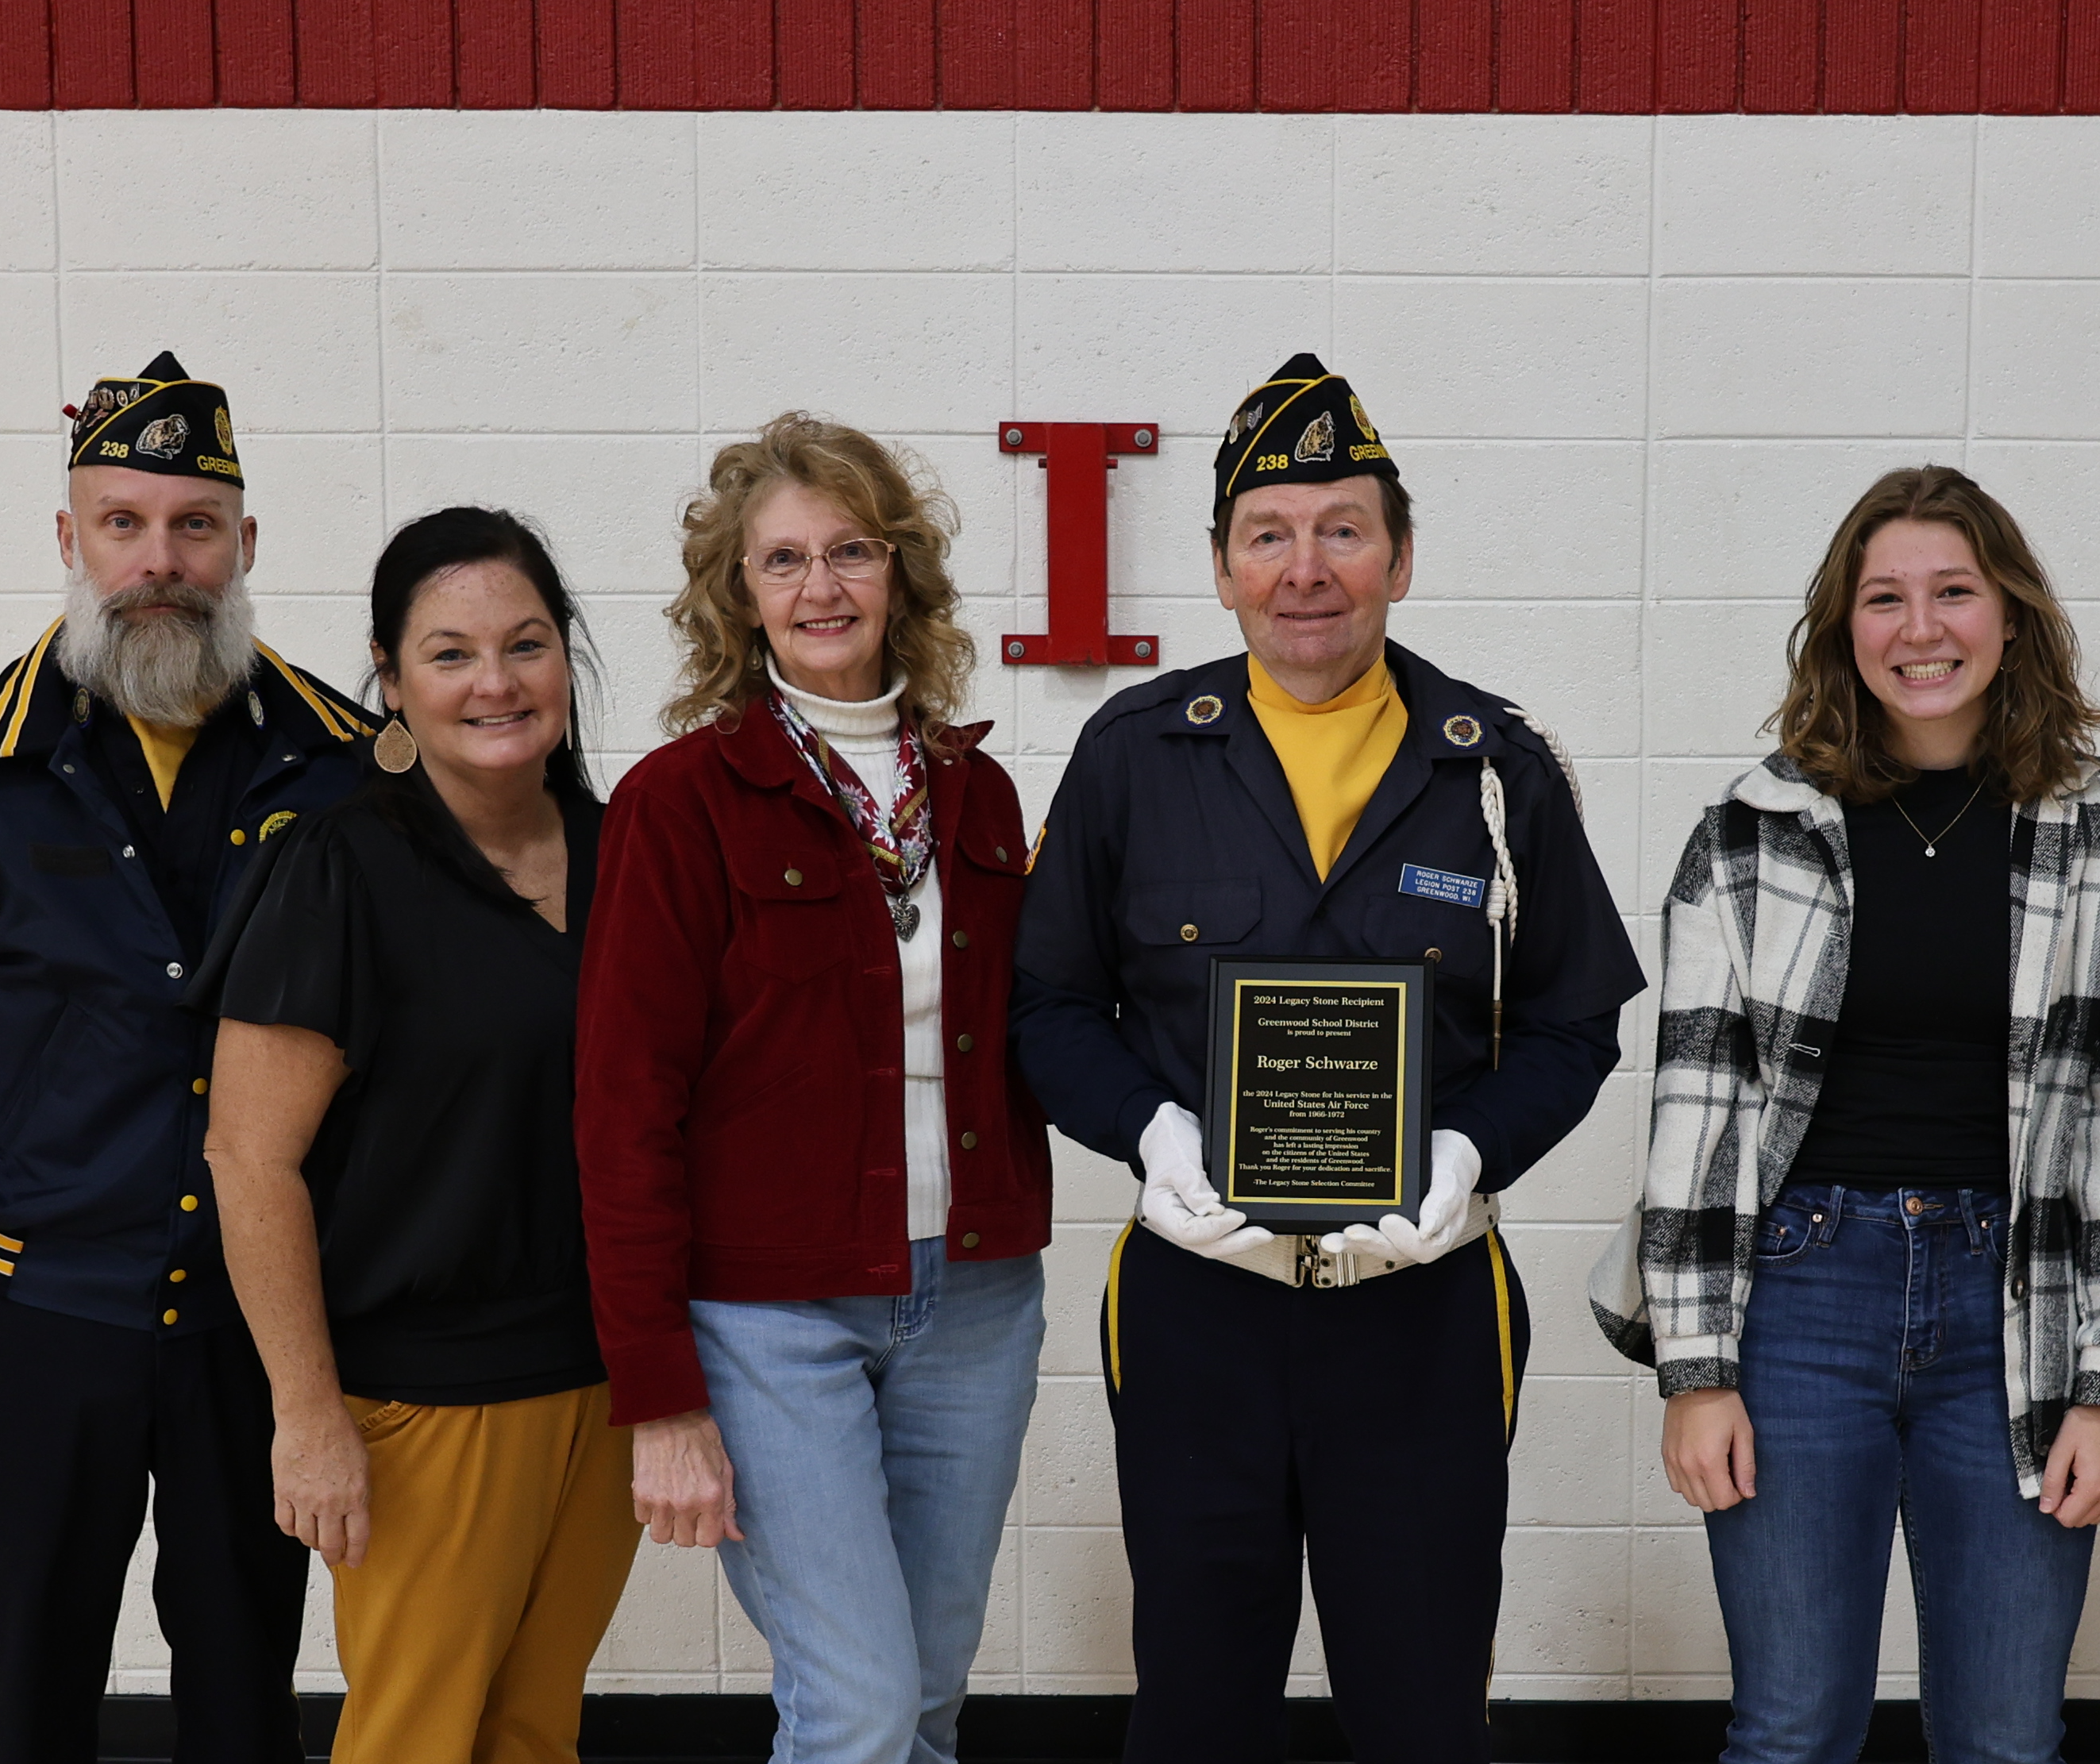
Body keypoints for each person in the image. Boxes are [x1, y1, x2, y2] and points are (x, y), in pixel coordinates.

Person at [1013, 353, 1647, 1764]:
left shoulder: (1495, 766)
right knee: (1192, 1707)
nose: (1308, 568)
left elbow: (1571, 1022)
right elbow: (1048, 1005)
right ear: (1225, 570)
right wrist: (1150, 1134)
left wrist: (1471, 1153)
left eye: (1343, 530)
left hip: (1421, 1318)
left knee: (1425, 1711)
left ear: (1401, 558)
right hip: (1198, 1311)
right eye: (1270, 534)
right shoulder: (1131, 755)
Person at [0, 352, 377, 1764]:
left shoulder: (352, 771)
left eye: (194, 526)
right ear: (70, 541)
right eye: (122, 524)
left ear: (246, 545)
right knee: (36, 1672)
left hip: (262, 1324)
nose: (159, 560)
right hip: (31, 1309)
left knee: (246, 1684)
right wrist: (15, 1180)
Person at [1601, 466, 2100, 1764]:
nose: (1921, 629)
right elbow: (1693, 1116)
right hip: (1801, 1300)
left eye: (1954, 593)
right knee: (1796, 1725)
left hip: (2013, 1311)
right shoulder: (1751, 836)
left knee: (2007, 1735)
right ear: (1842, 630)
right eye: (1884, 598)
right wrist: (1697, 1373)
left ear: (2012, 617)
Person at [573, 414, 1054, 1764]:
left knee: (925, 1698)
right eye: (782, 560)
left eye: (851, 550)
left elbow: (1038, 1034)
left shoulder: (979, 796)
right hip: (768, 1321)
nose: (821, 587)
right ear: (738, 593)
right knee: (851, 1707)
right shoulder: (682, 803)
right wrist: (660, 1395)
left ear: (901, 573)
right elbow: (621, 1110)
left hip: (975, 1302)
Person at [198, 507, 637, 1764]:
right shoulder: (339, 871)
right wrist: (308, 1412)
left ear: (568, 658)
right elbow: (248, 1155)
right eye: (449, 654)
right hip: (424, 1399)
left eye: (527, 643)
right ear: (389, 681)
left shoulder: (626, 855)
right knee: (416, 1740)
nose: (495, 681)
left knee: (532, 1732)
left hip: (603, 1383)